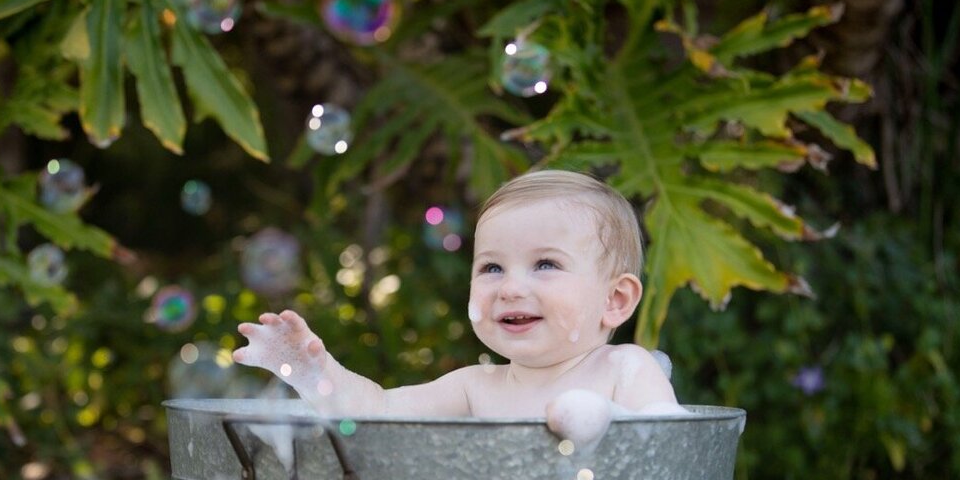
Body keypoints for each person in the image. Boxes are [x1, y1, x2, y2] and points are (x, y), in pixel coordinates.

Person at [233, 170, 688, 439]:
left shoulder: (625, 370)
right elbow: (377, 412)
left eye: (545, 264)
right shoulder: (475, 388)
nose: (509, 288)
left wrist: (599, 418)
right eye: (491, 268)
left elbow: (670, 452)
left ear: (615, 300)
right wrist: (315, 371)